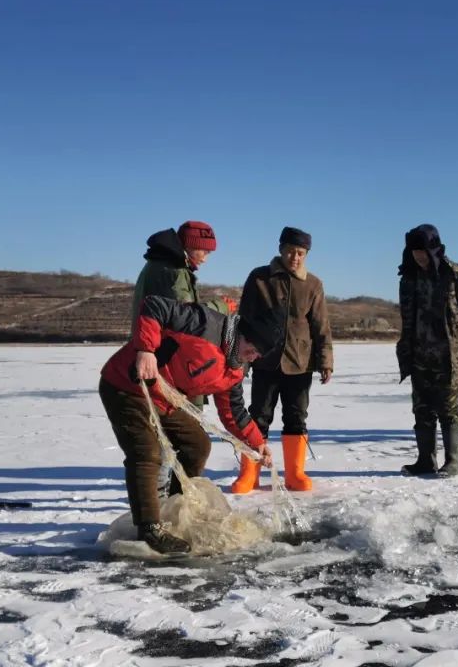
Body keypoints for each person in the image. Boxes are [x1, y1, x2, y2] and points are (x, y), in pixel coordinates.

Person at [99, 295, 282, 554]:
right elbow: (154, 305)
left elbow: (233, 411)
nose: (251, 357)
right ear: (241, 334)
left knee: (196, 444)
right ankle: (150, 528)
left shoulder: (235, 368)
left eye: (257, 355)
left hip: (164, 400)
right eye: (251, 348)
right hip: (126, 386)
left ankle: (176, 509)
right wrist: (146, 350)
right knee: (146, 451)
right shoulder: (204, 324)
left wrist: (258, 443)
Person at [232, 227, 334, 494]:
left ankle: (295, 474)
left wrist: (325, 361)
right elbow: (243, 321)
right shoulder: (259, 278)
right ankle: (249, 475)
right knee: (258, 416)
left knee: (296, 417)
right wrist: (240, 360)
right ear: (280, 249)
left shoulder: (313, 284)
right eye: (290, 251)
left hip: (299, 363)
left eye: (300, 253)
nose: (295, 257)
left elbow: (321, 327)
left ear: (306, 255)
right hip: (264, 360)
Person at [396, 224, 458, 477]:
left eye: (423, 251)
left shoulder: (455, 276)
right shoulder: (409, 278)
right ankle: (425, 460)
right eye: (414, 252)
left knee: (448, 408)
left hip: (447, 358)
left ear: (434, 250)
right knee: (422, 409)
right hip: (419, 354)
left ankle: (452, 460)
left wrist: (457, 341)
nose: (419, 257)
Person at [131, 220, 229, 324]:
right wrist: (221, 306)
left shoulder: (159, 262)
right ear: (189, 245)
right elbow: (188, 317)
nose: (205, 259)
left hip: (147, 337)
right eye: (204, 251)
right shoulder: (175, 270)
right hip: (161, 339)